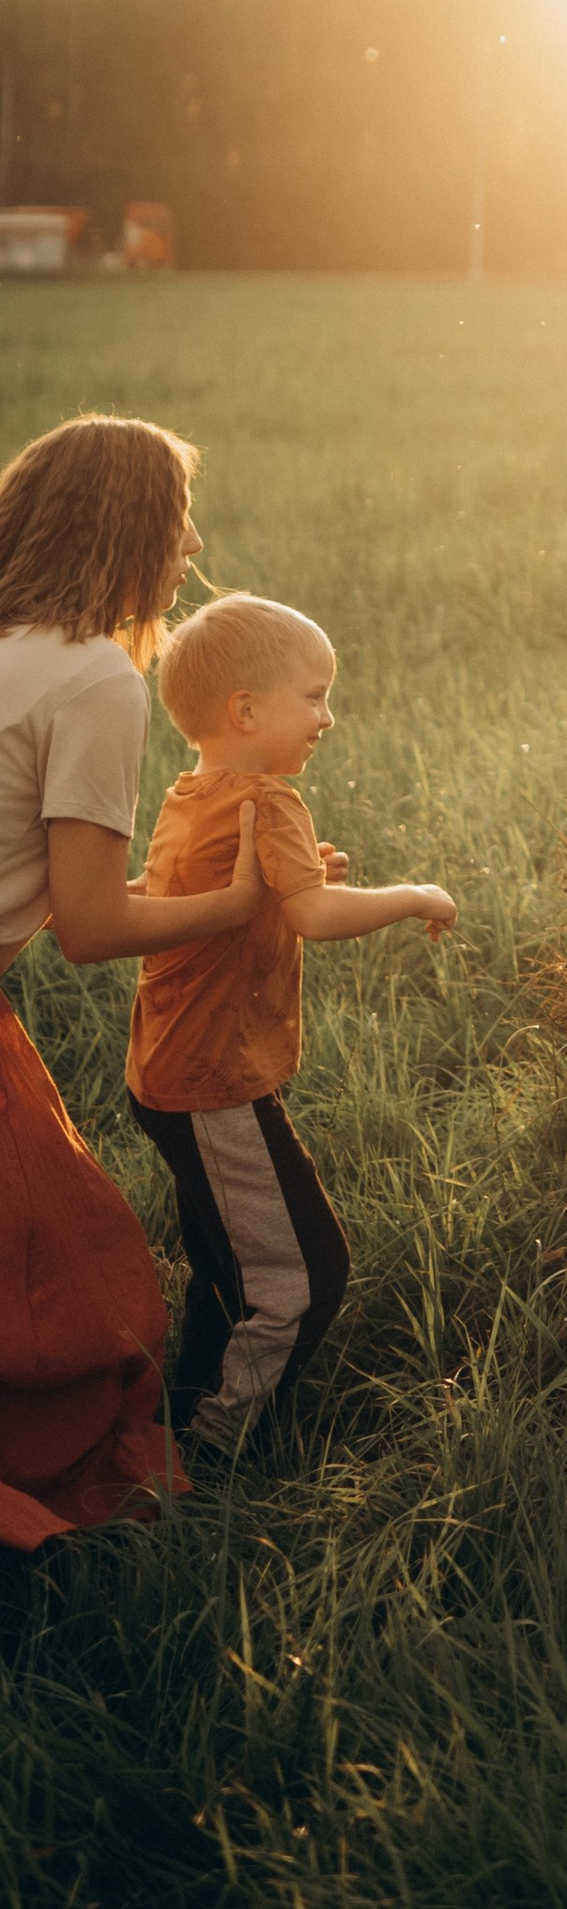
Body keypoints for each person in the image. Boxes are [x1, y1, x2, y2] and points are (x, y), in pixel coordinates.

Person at [0, 413, 263, 1549]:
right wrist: (235, 906)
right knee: (75, 1301)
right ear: (131, 527)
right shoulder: (96, 675)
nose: (194, 543)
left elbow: (67, 884)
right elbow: (94, 926)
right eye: (180, 517)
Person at [126, 593, 455, 1455]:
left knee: (225, 1265)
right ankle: (217, 1451)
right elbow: (315, 915)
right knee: (302, 1275)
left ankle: (181, 1412)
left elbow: (212, 893)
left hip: (164, 1073)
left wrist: (295, 875)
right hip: (215, 1085)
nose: (327, 716)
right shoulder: (268, 801)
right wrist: (414, 894)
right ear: (246, 709)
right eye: (313, 695)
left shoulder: (191, 793)